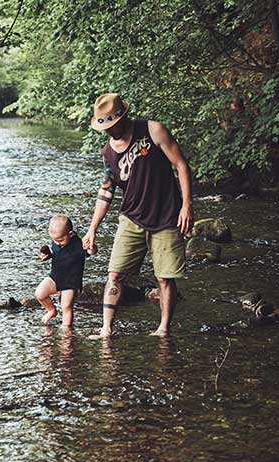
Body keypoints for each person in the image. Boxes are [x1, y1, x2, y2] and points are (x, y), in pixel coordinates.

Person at [81, 93, 194, 338]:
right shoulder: (107, 152)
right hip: (131, 217)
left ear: (124, 117)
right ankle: (106, 329)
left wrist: (187, 205)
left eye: (114, 125)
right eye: (106, 128)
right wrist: (92, 229)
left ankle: (163, 329)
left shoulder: (153, 130)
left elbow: (181, 165)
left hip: (166, 216)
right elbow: (106, 191)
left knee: (164, 278)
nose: (111, 132)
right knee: (115, 274)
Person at [35, 215, 97, 327]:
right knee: (40, 293)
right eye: (54, 240)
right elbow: (56, 252)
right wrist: (48, 255)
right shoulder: (57, 241)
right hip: (55, 277)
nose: (57, 243)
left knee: (66, 306)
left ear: (70, 233)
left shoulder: (78, 244)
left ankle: (66, 328)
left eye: (61, 240)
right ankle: (51, 310)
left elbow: (91, 252)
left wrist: (91, 247)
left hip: (71, 281)